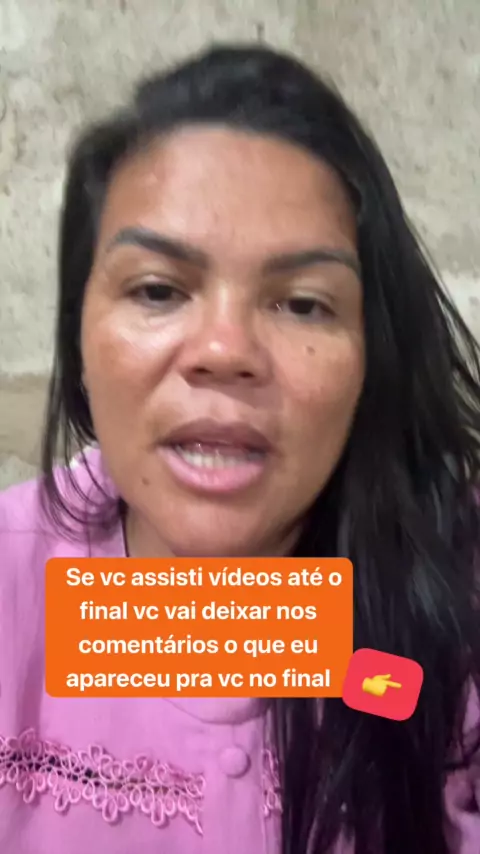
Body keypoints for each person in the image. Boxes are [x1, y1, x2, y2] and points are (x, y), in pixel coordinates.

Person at [0, 42, 479, 854]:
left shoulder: (455, 586)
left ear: (372, 354)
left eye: (302, 304)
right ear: (77, 338)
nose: (225, 350)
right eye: (158, 289)